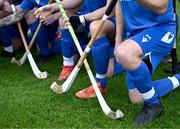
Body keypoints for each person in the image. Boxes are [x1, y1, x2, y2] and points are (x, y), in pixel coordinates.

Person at [114, 0, 179, 125]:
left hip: (161, 31)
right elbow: (119, 3)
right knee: (137, 97)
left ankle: (153, 104)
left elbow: (162, 7)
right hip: (136, 35)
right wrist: (118, 40)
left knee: (125, 52)